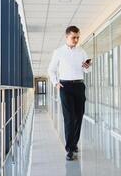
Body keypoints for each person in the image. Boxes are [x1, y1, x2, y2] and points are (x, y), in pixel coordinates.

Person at [47, 26, 91, 160]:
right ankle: (70, 149)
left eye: (78, 37)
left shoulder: (82, 52)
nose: (76, 40)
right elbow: (51, 70)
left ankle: (74, 143)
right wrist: (56, 83)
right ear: (67, 37)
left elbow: (87, 71)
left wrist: (88, 67)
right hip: (65, 86)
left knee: (79, 116)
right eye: (74, 37)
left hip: (79, 85)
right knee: (69, 118)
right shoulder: (58, 52)